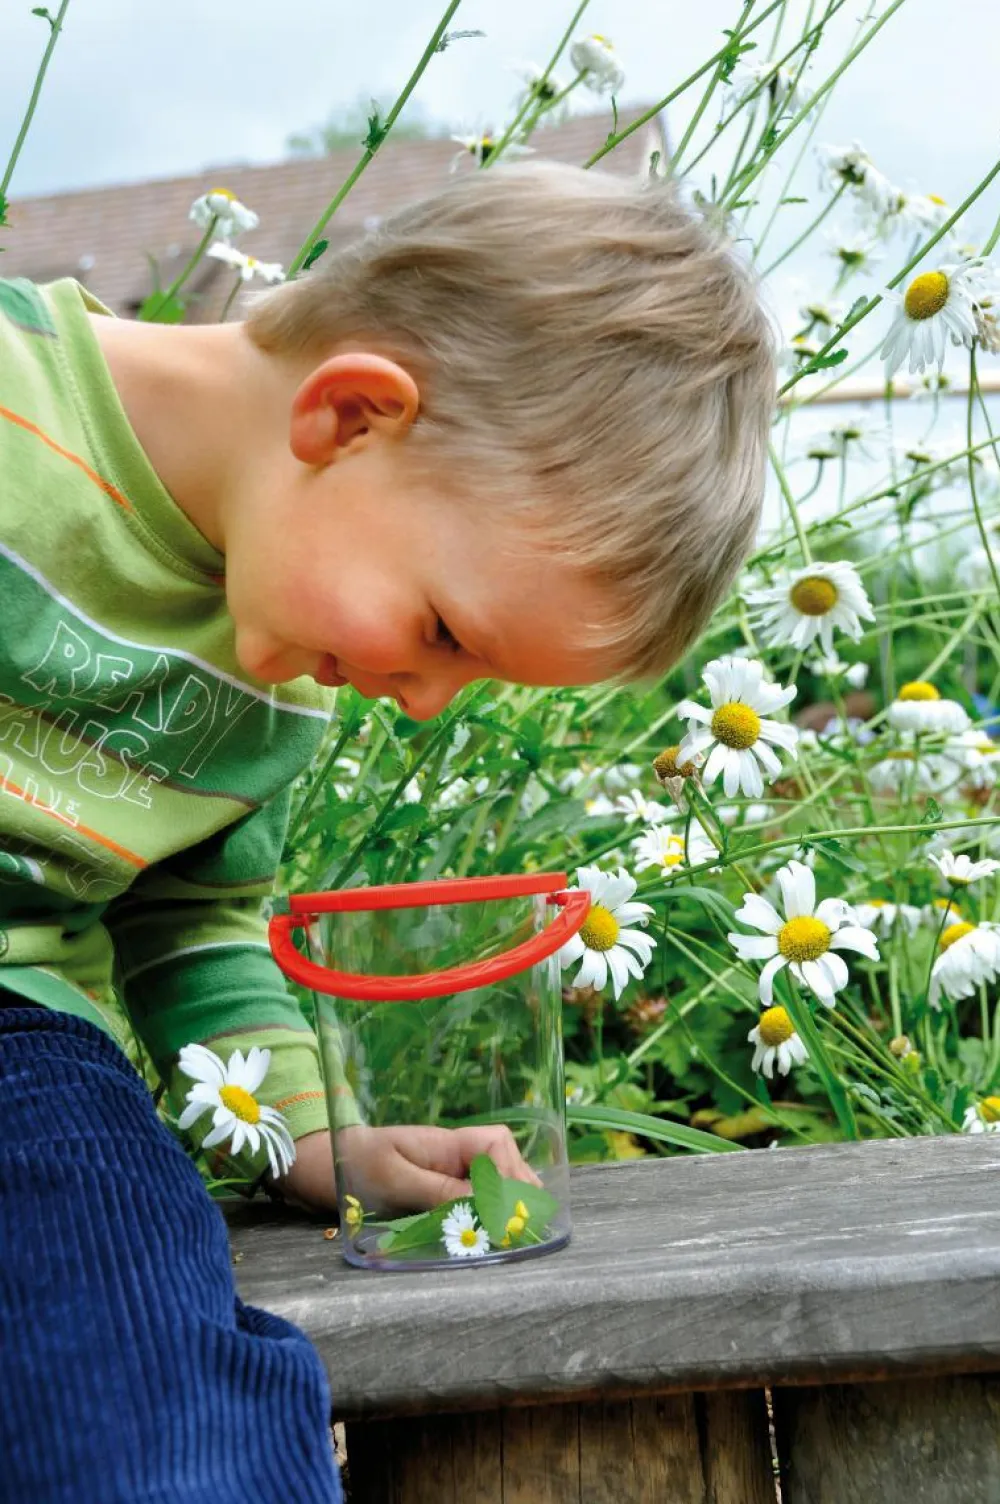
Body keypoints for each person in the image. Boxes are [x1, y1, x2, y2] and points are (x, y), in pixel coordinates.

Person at [0, 160, 775, 1502]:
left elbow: (189, 916)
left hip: (19, 1056)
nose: (419, 705)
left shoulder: (277, 668)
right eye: (443, 635)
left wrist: (300, 1136)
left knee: (152, 1411)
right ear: (350, 416)